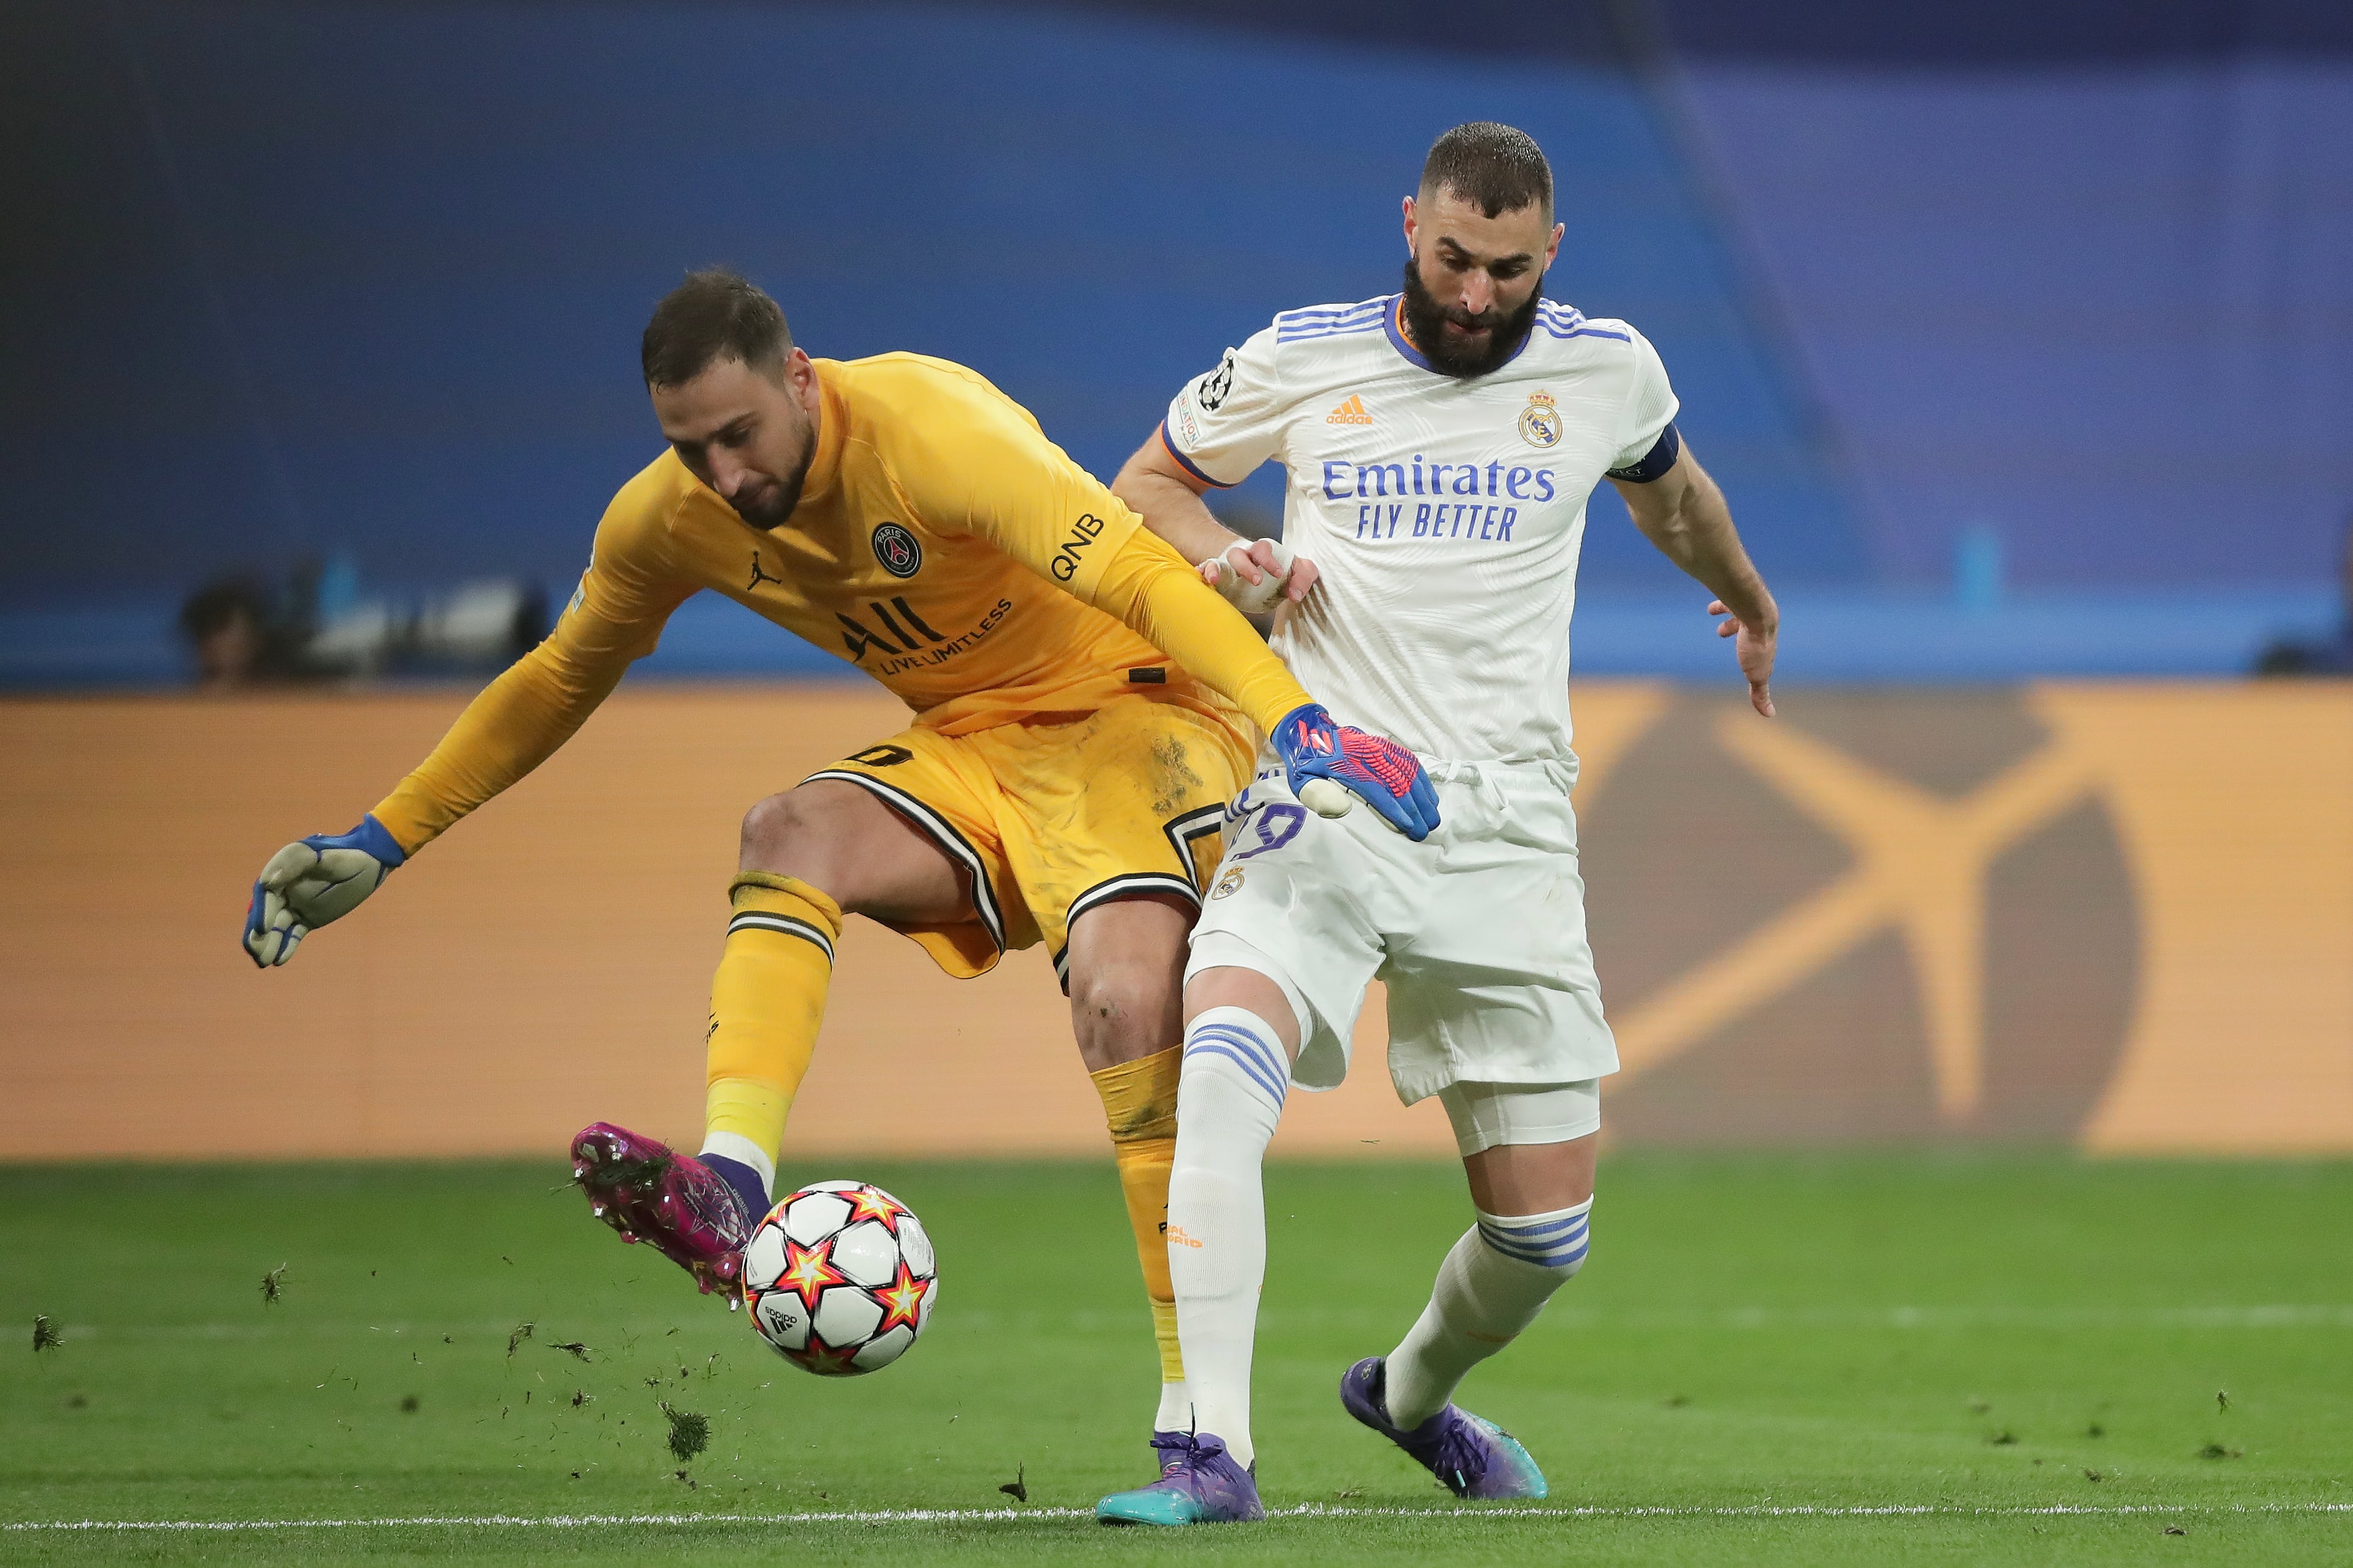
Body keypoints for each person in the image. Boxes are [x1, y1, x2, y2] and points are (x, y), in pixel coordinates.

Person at [239, 270, 1433, 1471]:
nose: (722, 474)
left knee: (1126, 1002)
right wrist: (383, 837)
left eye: (738, 433)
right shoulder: (669, 517)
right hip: (973, 746)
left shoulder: (933, 432)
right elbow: (557, 678)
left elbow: (1138, 577)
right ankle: (729, 1182)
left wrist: (1295, 718)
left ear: (798, 377)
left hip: (1137, 714)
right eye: (689, 446)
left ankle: (1199, 1434)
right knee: (788, 831)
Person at [1092, 123, 1781, 1525]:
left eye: (1508, 269)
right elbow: (1143, 484)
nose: (1476, 296)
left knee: (1543, 1236)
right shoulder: (1301, 355)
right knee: (1222, 1058)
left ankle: (1405, 1395)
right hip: (1327, 784)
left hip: (1512, 822)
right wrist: (1223, 559)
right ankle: (1207, 1450)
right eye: (1455, 259)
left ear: (1554, 253)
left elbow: (1678, 498)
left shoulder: (1607, 367)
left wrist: (1752, 600)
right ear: (1410, 223)